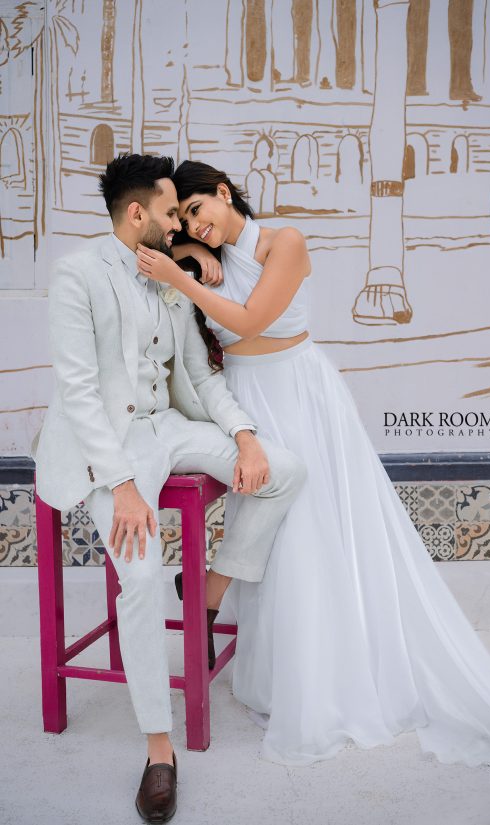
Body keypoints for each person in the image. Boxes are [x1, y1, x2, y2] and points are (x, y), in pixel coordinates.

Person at [136, 159, 490, 773]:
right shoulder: (204, 255)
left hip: (300, 392)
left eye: (199, 209)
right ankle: (269, 663)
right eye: (186, 217)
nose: (196, 223)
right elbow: (163, 265)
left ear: (225, 193)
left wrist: (182, 273)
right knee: (273, 531)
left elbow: (250, 321)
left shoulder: (285, 242)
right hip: (246, 399)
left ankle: (318, 670)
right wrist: (192, 252)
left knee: (315, 529)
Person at [33, 154, 306, 823]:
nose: (178, 224)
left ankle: (205, 594)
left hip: (170, 427)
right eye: (168, 213)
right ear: (137, 215)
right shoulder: (78, 275)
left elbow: (199, 376)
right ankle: (160, 749)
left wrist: (244, 436)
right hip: (110, 447)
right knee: (139, 576)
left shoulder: (167, 274)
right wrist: (123, 484)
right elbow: (79, 392)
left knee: (285, 470)